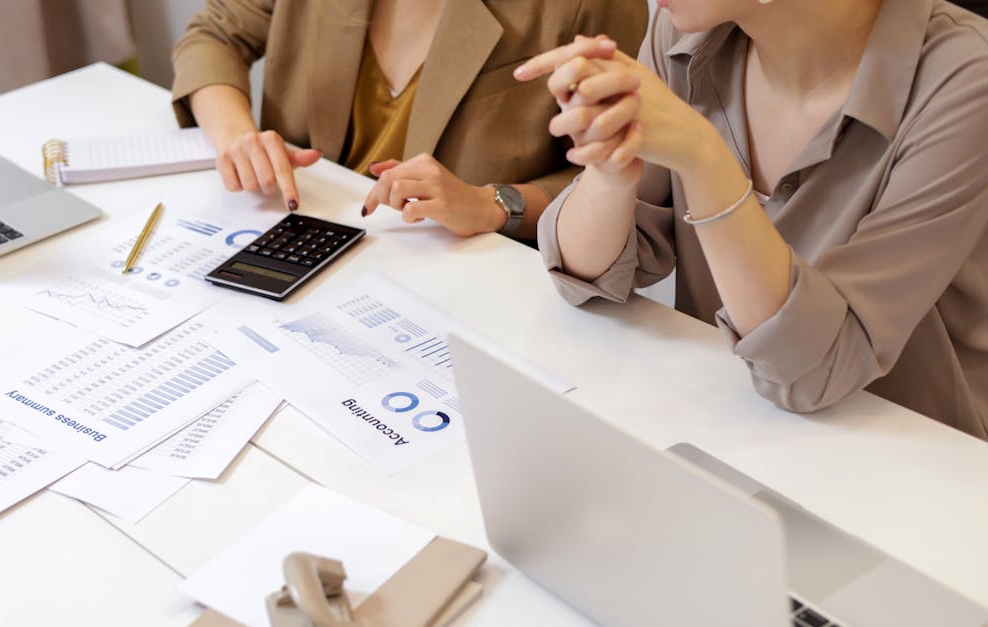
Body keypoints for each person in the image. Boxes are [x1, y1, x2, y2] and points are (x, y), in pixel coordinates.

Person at [515, 0, 988, 438]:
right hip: (728, 427)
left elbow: (815, 373)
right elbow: (584, 275)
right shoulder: (687, 34)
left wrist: (704, 159)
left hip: (913, 463)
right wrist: (610, 168)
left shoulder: (965, 81)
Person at [170, 0, 647, 239]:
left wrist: (494, 204)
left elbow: (621, 172)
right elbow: (214, 37)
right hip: (290, 233)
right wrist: (238, 138)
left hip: (460, 283)